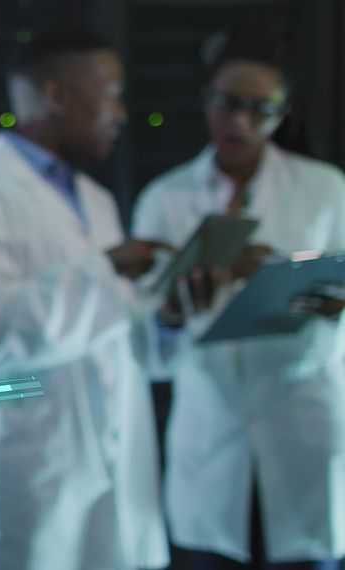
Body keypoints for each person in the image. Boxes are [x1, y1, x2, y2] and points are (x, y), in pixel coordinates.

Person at [0, 30, 171, 570]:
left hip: (104, 462)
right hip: (27, 467)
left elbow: (111, 325)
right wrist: (106, 268)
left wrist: (167, 313)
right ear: (58, 96)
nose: (121, 114)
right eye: (111, 95)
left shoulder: (96, 200)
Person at [132, 26, 345, 570]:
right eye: (228, 103)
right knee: (212, 554)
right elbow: (142, 332)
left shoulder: (325, 188)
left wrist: (329, 300)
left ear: (282, 112)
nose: (241, 122)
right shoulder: (165, 198)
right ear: (207, 98)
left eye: (260, 109)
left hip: (302, 410)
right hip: (210, 417)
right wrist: (174, 309)